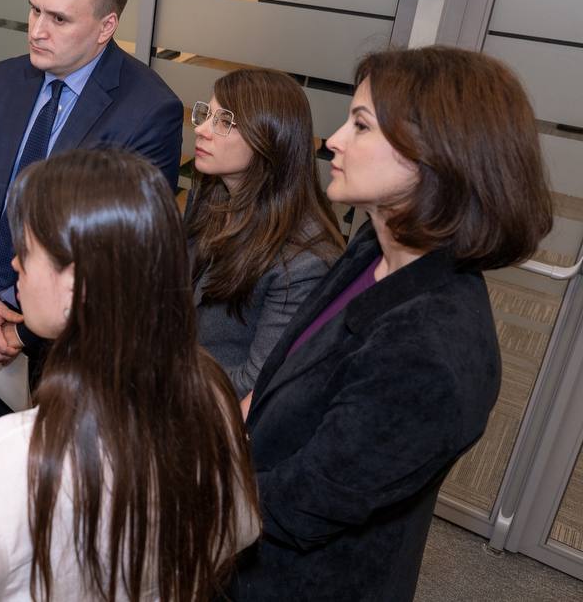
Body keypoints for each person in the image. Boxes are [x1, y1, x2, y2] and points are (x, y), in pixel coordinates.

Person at [0, 149, 260, 601]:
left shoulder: (14, 459)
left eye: (27, 250)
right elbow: (237, 530)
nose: (14, 264)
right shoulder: (213, 395)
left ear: (74, 283)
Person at [231, 47, 553, 601]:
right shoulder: (373, 247)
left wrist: (166, 489)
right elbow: (294, 369)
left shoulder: (428, 349)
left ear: (434, 156)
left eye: (360, 125)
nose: (334, 140)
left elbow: (302, 504)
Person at [0, 0, 183, 425]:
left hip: (77, 343)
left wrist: (26, 333)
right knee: (0, 439)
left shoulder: (148, 111)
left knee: (63, 461)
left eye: (58, 19)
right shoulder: (6, 80)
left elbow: (124, 256)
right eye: (34, 10)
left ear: (105, 27)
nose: (37, 30)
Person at [186, 69, 344, 398]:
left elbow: (257, 384)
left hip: (215, 408)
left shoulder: (305, 260)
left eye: (224, 121)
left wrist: (163, 368)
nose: (201, 129)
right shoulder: (210, 195)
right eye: (207, 114)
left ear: (270, 138)